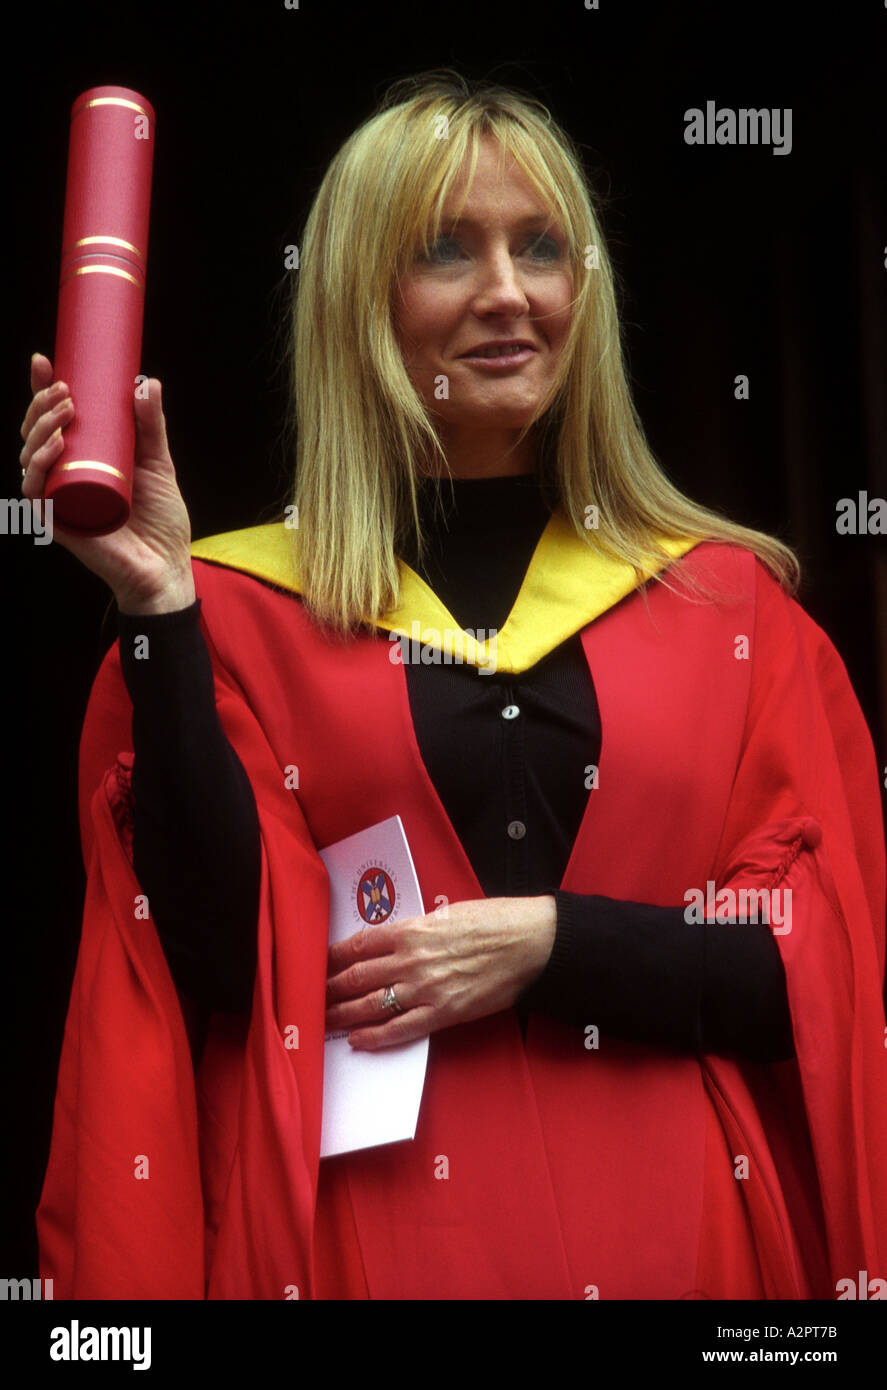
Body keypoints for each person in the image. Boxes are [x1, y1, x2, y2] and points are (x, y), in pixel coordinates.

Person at [26, 72, 887, 1300]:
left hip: (685, 1242)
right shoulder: (243, 617)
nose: (506, 291)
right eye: (445, 249)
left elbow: (817, 963)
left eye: (540, 247)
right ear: (357, 305)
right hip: (379, 1244)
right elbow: (215, 963)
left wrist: (549, 942)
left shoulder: (730, 610)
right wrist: (157, 600)